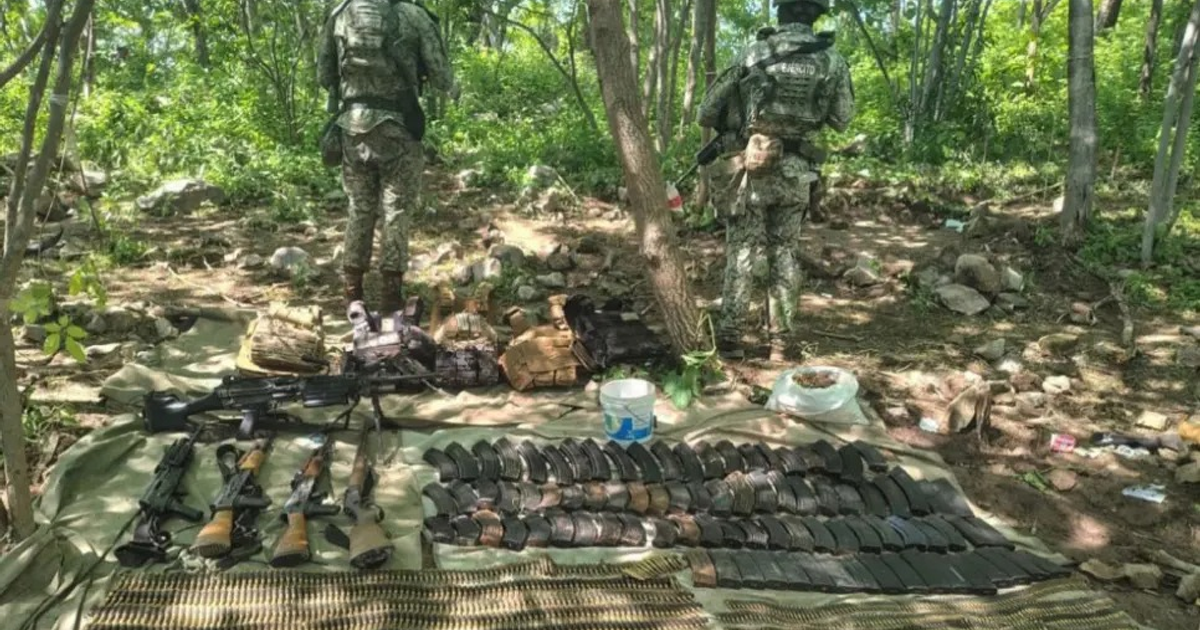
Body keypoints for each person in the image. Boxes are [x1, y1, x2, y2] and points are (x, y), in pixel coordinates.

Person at [697, 0, 854, 362]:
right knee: (785, 252)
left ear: (780, 12)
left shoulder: (754, 53)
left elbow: (706, 111)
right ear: (815, 16)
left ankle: (731, 339)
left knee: (742, 251)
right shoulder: (832, 60)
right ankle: (781, 342)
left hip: (752, 171)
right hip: (797, 173)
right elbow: (842, 119)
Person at [318, 0, 457, 313]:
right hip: (398, 129)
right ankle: (390, 297)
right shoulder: (414, 15)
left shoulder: (340, 13)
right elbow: (441, 75)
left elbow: (324, 74)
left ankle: (352, 293)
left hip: (352, 128)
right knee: (396, 210)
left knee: (360, 207)